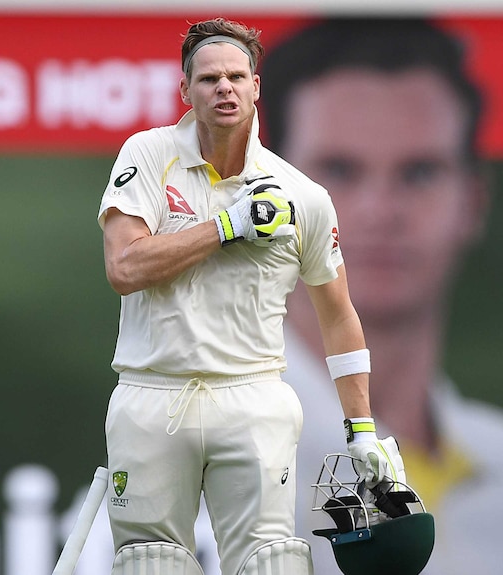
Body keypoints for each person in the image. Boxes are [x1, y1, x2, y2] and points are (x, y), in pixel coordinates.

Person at [259, 17, 503, 575]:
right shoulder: (187, 484)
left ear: (473, 201)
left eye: (419, 173)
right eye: (339, 170)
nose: (381, 209)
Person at [95, 17, 405, 575]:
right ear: (184, 89)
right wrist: (226, 226)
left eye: (237, 76)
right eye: (209, 79)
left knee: (271, 564)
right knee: (151, 564)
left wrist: (362, 429)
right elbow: (124, 267)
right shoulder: (146, 155)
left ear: (256, 87)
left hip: (252, 396)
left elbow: (338, 316)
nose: (224, 89)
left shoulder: (303, 196)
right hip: (152, 392)